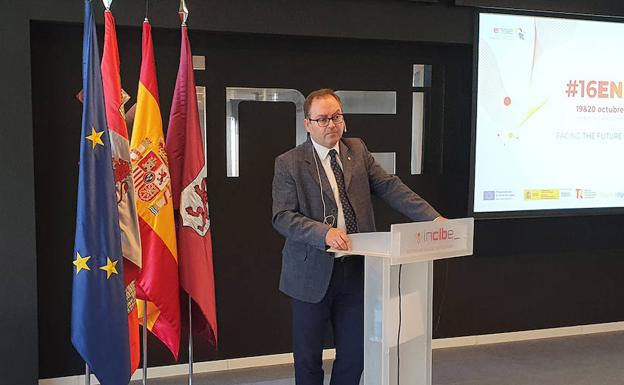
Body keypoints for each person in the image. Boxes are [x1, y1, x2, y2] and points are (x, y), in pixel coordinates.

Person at [271, 88, 442, 385]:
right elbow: (282, 217)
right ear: (307, 124)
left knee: (355, 356)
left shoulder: (357, 150)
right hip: (310, 274)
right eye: (322, 119)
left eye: (336, 117)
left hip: (357, 271)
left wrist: (434, 219)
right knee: (308, 360)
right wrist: (324, 233)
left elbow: (391, 187)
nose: (331, 125)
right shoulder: (290, 162)